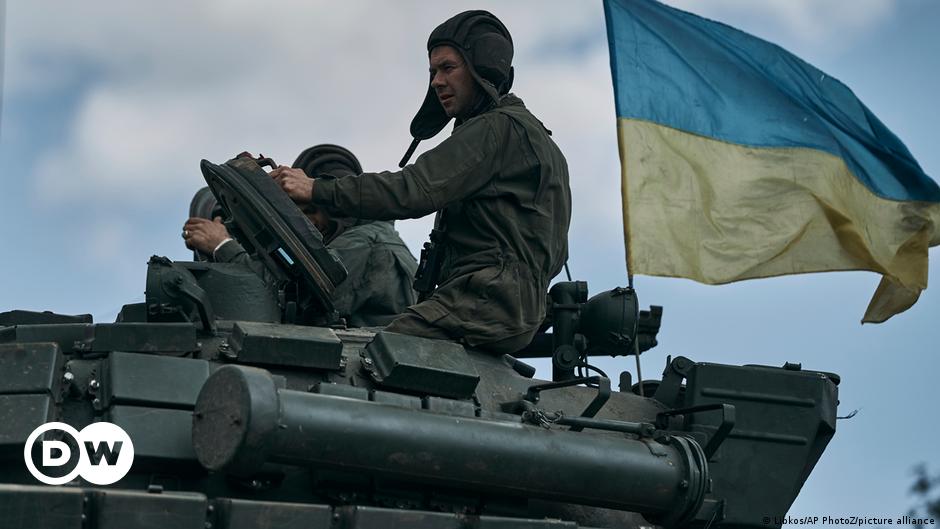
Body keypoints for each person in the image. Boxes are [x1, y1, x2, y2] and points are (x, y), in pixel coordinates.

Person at [269, 11, 571, 354]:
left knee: (372, 357)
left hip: (484, 300)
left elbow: (412, 190)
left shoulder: (497, 129)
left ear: (483, 68)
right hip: (505, 304)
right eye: (432, 72)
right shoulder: (535, 139)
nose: (437, 82)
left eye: (447, 68)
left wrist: (315, 189)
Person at [183, 144, 418, 327]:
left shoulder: (365, 244)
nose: (309, 222)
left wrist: (223, 246)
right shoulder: (367, 236)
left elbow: (293, 301)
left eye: (311, 210)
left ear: (335, 208)